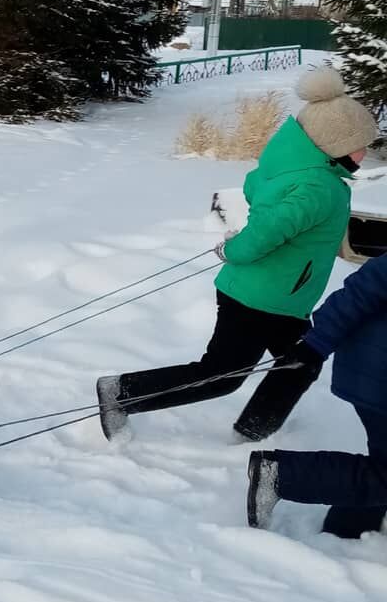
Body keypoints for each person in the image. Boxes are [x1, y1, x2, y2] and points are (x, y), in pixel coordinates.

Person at [97, 66, 379, 443]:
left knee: (300, 362)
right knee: (221, 375)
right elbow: (264, 233)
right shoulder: (318, 187)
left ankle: (253, 430)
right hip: (259, 299)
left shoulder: (295, 169)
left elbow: (256, 192)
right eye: (361, 143)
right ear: (333, 144)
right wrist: (235, 249)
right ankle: (121, 393)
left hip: (280, 297)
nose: (365, 151)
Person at [248, 251, 387, 538]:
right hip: (377, 372)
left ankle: (347, 531)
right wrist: (315, 344)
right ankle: (280, 476)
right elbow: (363, 289)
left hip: (374, 370)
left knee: (382, 464)